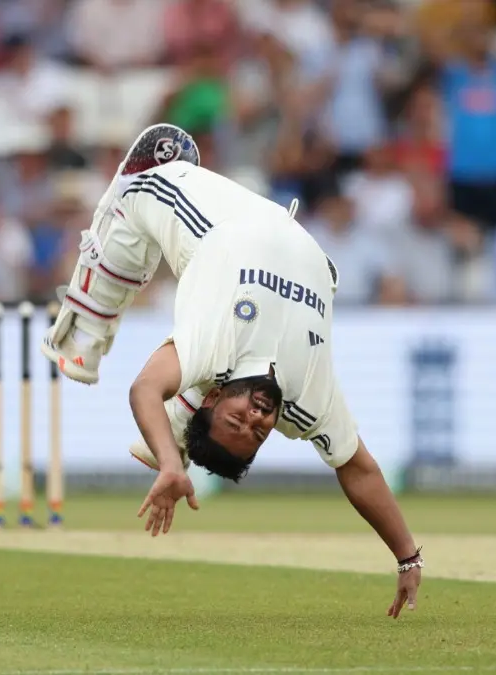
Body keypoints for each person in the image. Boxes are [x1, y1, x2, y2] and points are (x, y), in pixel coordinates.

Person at [42, 124, 424, 618]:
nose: (258, 419)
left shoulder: (213, 349)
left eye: (237, 420)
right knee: (194, 387)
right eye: (258, 433)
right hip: (300, 243)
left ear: (216, 398)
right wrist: (407, 556)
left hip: (193, 205)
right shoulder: (307, 401)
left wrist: (170, 465)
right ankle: (177, 429)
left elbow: (144, 389)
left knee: (129, 207)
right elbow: (358, 469)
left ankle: (84, 338)